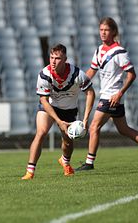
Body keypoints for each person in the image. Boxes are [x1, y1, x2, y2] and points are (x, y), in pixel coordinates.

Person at [76, 17, 138, 171]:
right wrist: (78, 83)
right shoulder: (98, 50)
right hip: (110, 97)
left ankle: (89, 163)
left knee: (94, 126)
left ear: (114, 32)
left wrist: (120, 93)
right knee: (123, 129)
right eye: (101, 30)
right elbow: (91, 71)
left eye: (106, 30)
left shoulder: (119, 51)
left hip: (111, 96)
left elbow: (132, 74)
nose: (103, 33)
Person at [21, 44, 95, 180]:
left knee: (67, 141)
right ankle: (30, 172)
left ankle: (65, 162)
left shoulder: (77, 74)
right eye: (51, 57)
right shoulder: (44, 75)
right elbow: (43, 100)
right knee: (41, 133)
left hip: (69, 109)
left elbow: (90, 93)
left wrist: (85, 119)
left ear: (65, 59)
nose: (53, 61)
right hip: (50, 106)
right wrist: (59, 121)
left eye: (58, 58)